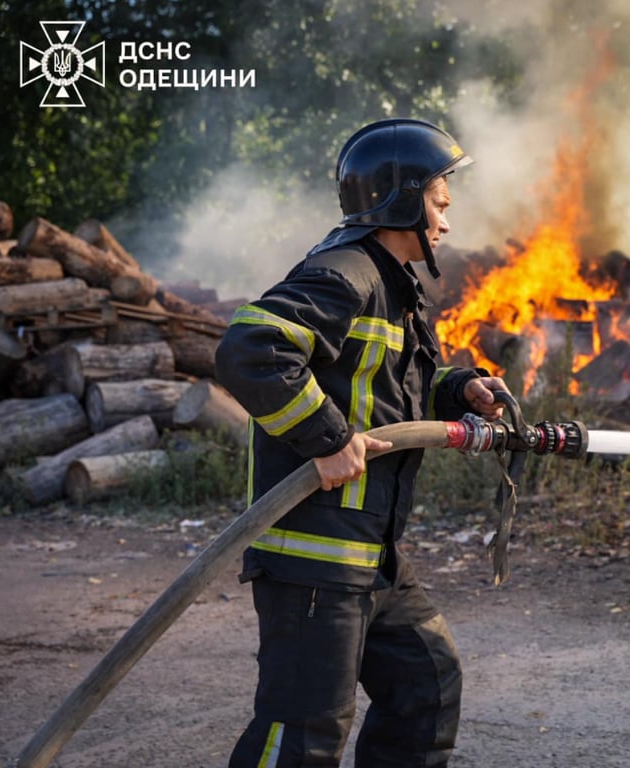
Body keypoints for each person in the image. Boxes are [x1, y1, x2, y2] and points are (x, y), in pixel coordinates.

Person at [215, 118, 508, 767]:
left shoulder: (392, 287)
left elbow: (387, 391)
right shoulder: (344, 273)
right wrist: (326, 437)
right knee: (305, 733)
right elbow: (249, 350)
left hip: (371, 555)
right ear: (403, 199)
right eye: (439, 204)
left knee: (425, 686)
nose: (447, 224)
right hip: (316, 558)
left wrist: (459, 391)